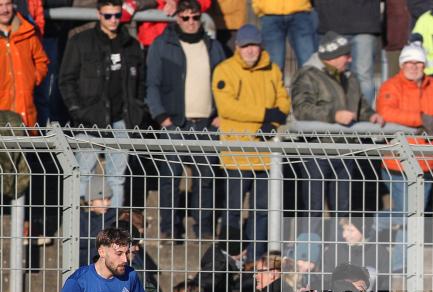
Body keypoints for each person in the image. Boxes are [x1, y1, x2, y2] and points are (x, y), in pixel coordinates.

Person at [376, 42, 433, 273]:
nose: (414, 66)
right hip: (397, 162)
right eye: (409, 62)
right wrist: (422, 119)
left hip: (426, 162)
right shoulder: (391, 85)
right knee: (410, 215)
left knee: (414, 216)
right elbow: (387, 111)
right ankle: (371, 226)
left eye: (418, 62)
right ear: (402, 64)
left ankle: (400, 264)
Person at [146, 0, 226, 241]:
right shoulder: (163, 44)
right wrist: (162, 117)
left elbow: (224, 84)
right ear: (177, 18)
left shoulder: (213, 46)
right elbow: (152, 84)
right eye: (185, 17)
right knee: (170, 178)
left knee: (205, 179)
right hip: (175, 123)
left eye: (195, 17)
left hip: (206, 123)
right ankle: (169, 228)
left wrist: (221, 114)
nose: (191, 22)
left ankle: (202, 228)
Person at [291, 31, 383, 237]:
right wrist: (334, 115)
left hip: (345, 151)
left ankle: (337, 254)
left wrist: (372, 116)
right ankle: (308, 258)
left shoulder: (350, 77)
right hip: (317, 150)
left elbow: (361, 107)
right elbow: (301, 109)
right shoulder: (307, 75)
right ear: (332, 57)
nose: (350, 59)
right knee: (313, 209)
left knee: (343, 210)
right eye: (346, 55)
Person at [212, 23, 290, 262]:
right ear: (237, 47)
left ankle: (255, 260)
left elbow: (284, 104)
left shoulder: (273, 70)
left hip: (266, 156)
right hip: (237, 153)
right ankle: (229, 261)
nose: (250, 50)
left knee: (262, 212)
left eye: (254, 45)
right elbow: (227, 107)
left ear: (261, 46)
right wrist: (265, 117)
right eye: (245, 46)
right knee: (232, 212)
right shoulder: (225, 70)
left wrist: (273, 125)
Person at [59, 0, 147, 209]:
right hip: (89, 119)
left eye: (117, 15)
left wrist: (138, 108)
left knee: (117, 177)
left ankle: (113, 232)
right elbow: (66, 79)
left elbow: (141, 82)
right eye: (108, 16)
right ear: (99, 15)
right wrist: (77, 111)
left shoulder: (131, 44)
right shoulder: (81, 41)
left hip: (121, 120)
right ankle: (80, 229)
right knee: (82, 174)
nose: (113, 20)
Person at [316, 0, 380, 104]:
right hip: (331, 20)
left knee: (363, 75)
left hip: (364, 22)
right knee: (332, 75)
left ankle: (363, 115)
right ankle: (335, 113)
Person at [0, 0, 48, 127]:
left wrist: (32, 78)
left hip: (26, 114)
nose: (5, 10)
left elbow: (42, 60)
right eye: (0, 5)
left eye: (8, 4)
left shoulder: (28, 31)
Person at [254, 0, 317, 73]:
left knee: (307, 62)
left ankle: (309, 84)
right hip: (270, 13)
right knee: (274, 66)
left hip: (300, 11)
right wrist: (258, 6)